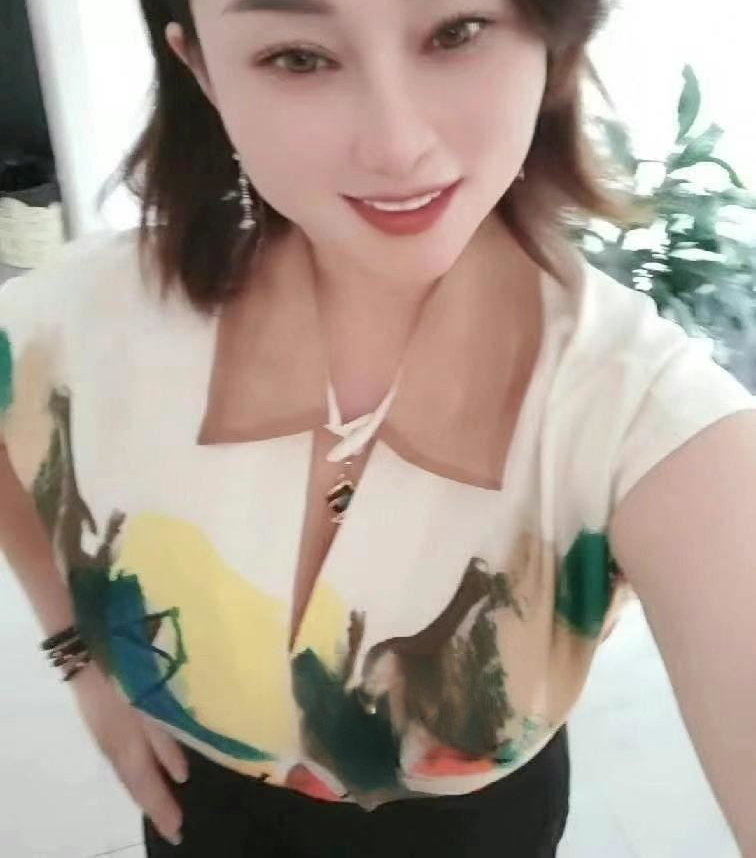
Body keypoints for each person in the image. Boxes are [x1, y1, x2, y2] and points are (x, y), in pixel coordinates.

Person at [1, 0, 755, 855]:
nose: (396, 145)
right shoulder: (92, 315)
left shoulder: (645, 415)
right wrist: (78, 657)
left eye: (456, 32)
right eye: (297, 57)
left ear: (550, 33)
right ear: (202, 69)